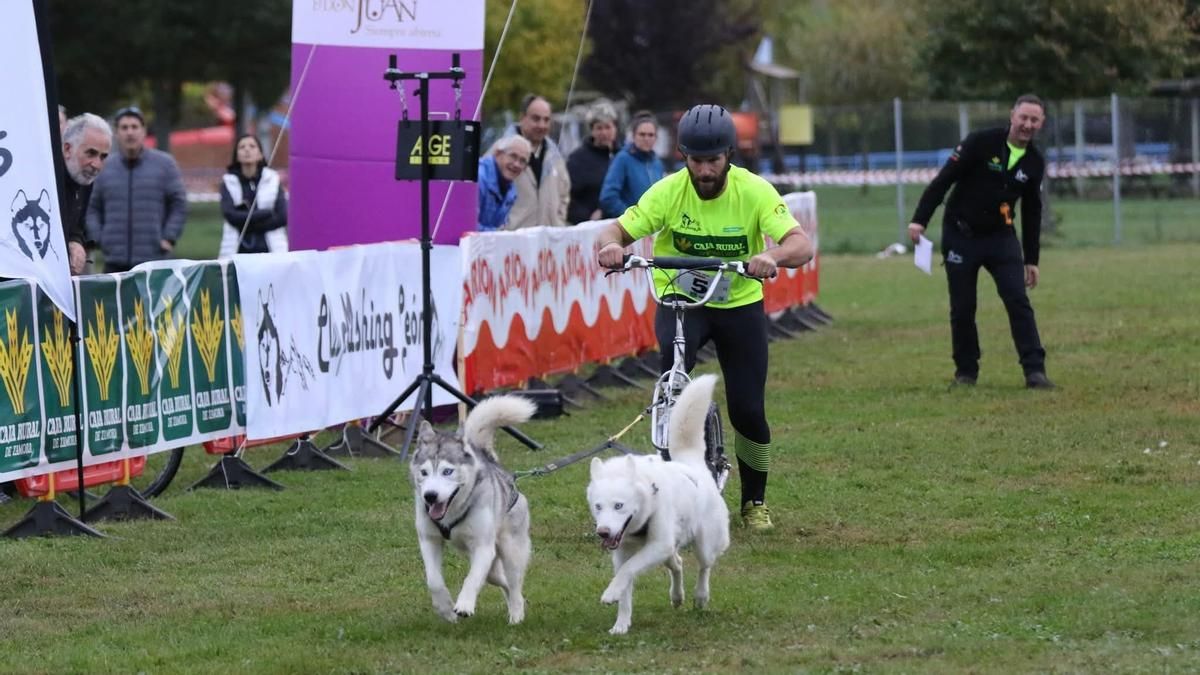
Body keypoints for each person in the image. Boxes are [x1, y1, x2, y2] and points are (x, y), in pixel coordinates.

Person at [596, 104, 814, 531]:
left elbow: (800, 244)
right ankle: (667, 498)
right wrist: (611, 247)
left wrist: (771, 255)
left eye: (713, 159)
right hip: (682, 301)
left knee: (748, 409)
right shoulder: (668, 191)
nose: (705, 169)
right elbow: (616, 230)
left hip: (739, 305)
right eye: (696, 160)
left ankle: (753, 502)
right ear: (682, 155)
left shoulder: (753, 191)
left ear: (729, 155)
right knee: (672, 396)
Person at [908, 94, 1054, 390]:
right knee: (963, 307)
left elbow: (1032, 210)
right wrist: (920, 219)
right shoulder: (979, 142)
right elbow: (944, 180)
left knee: (1018, 301)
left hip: (1001, 239)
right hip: (961, 235)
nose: (1027, 124)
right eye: (1023, 117)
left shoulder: (1035, 162)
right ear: (1012, 115)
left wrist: (1032, 260)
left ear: (1041, 123)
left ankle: (1035, 371)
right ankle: (966, 373)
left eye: (1034, 120)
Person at [86, 106, 187, 273]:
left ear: (144, 131)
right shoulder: (104, 166)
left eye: (134, 127)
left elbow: (179, 204)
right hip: (114, 262)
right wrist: (99, 238)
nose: (130, 132)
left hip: (154, 261)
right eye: (124, 128)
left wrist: (169, 237)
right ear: (116, 133)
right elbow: (92, 207)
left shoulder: (165, 164)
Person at [492, 94, 570, 229]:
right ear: (522, 118)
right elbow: (488, 193)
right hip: (512, 243)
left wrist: (558, 220)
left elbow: (564, 193)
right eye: (536, 118)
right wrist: (504, 227)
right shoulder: (500, 151)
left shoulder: (555, 156)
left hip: (548, 244)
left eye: (546, 120)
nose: (542, 125)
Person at [218, 134, 288, 257]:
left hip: (271, 252)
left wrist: (246, 223)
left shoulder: (273, 180)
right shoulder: (228, 182)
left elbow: (282, 217)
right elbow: (230, 215)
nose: (247, 149)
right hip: (237, 254)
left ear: (260, 154)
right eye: (242, 147)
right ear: (237, 156)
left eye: (252, 146)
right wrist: (264, 214)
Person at [60, 113, 112, 275]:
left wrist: (75, 241)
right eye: (91, 153)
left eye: (103, 157)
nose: (97, 164)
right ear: (68, 149)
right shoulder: (43, 178)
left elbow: (76, 225)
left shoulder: (83, 178)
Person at [599, 110, 664, 218]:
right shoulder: (623, 159)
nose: (646, 139)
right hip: (631, 228)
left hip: (654, 228)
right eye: (642, 134)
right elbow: (608, 197)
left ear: (656, 138)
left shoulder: (657, 163)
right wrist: (632, 218)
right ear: (633, 136)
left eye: (651, 135)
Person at [566, 100, 618, 223]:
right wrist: (587, 218)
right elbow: (567, 197)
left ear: (615, 128)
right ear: (592, 130)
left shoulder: (623, 156)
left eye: (608, 127)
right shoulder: (577, 159)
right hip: (591, 229)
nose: (604, 132)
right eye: (599, 128)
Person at [477, 134, 532, 232]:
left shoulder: (511, 190)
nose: (517, 164)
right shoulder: (478, 179)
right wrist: (498, 235)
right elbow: (465, 226)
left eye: (522, 161)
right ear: (498, 154)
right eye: (513, 156)